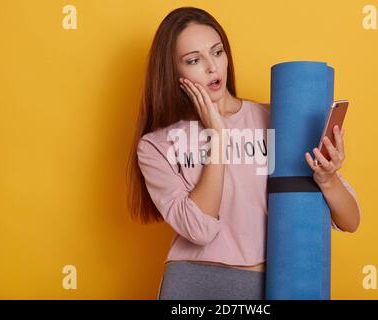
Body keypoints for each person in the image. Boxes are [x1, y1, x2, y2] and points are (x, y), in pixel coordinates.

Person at [127, 6, 361, 300]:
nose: (212, 67)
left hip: (270, 283)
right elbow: (200, 230)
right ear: (174, 73)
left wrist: (328, 179)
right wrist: (217, 134)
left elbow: (350, 221)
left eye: (217, 52)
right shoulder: (156, 146)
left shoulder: (278, 120)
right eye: (194, 60)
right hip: (194, 285)